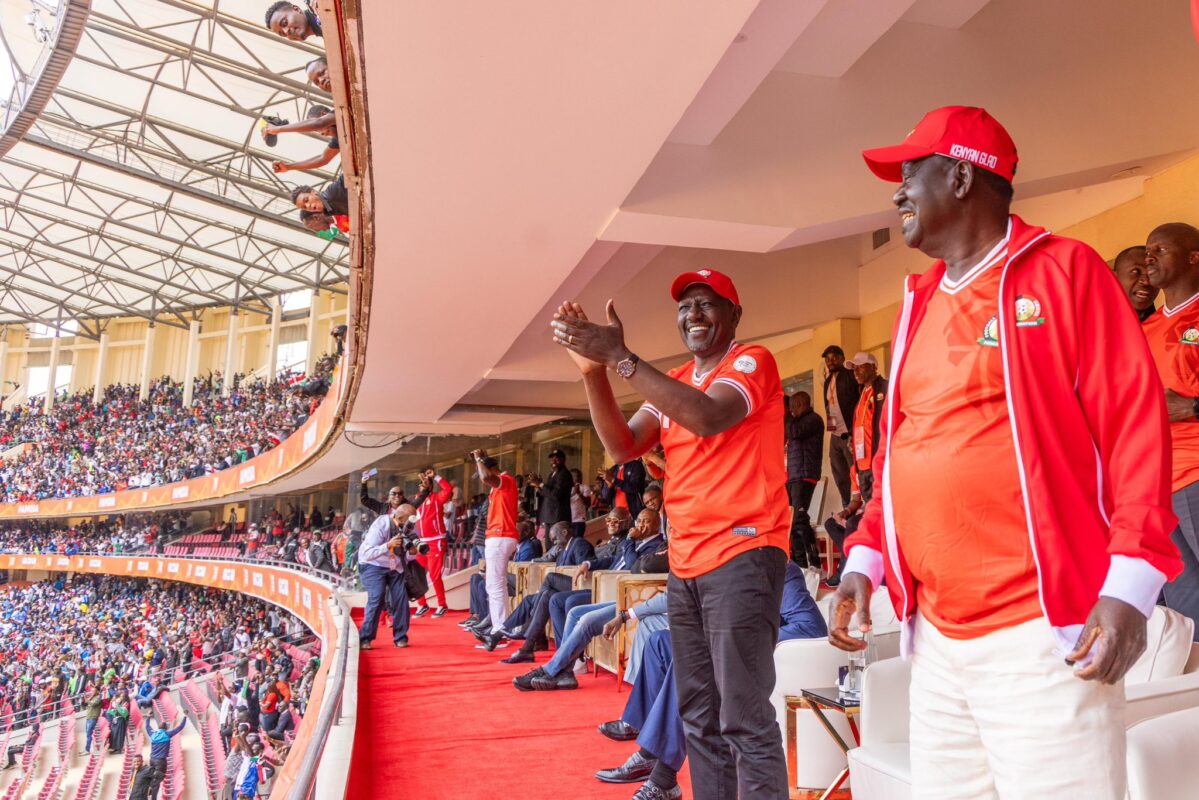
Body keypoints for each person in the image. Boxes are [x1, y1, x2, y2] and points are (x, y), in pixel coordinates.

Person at [831, 105, 1181, 799]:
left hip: (1044, 636)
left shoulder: (1064, 271)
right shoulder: (918, 302)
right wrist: (865, 558)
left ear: (961, 176)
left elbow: (1133, 429)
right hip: (933, 641)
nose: (896, 194)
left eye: (909, 175)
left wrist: (1129, 588)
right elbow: (905, 451)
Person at [551, 267, 791, 799]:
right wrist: (595, 372)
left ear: (735, 315)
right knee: (699, 717)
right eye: (685, 307)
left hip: (744, 553)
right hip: (686, 566)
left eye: (707, 304)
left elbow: (708, 417)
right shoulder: (674, 380)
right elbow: (621, 445)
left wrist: (622, 358)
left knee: (744, 718)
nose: (694, 315)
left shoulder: (752, 361)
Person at [596, 561, 826, 799]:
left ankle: (662, 773)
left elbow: (811, 627)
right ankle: (643, 732)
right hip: (723, 645)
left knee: (694, 659)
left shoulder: (780, 567)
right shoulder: (715, 563)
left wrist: (742, 639)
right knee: (660, 643)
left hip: (756, 654)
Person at [512, 508, 665, 690]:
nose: (641, 525)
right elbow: (616, 560)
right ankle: (565, 671)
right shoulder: (638, 543)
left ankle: (551, 669)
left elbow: (634, 566)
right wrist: (589, 563)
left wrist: (630, 540)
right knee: (574, 611)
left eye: (646, 522)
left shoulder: (659, 545)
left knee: (583, 617)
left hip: (630, 598)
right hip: (616, 592)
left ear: (658, 525)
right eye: (639, 521)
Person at [1143, 222, 1199, 640]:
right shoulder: (1143, 330)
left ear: (1194, 257)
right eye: (1148, 251)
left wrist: (1192, 405)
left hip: (1196, 474)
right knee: (1185, 607)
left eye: (1160, 249)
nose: (1149, 258)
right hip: (1156, 483)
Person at [492, 521, 596, 660]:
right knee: (544, 595)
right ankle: (527, 648)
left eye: (555, 538)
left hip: (582, 587)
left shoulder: (579, 544)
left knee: (551, 578)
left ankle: (525, 628)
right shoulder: (564, 548)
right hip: (565, 589)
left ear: (564, 532)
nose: (554, 543)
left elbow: (585, 573)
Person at [474, 449, 520, 641]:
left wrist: (478, 459)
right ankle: (505, 627)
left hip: (500, 536)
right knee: (498, 583)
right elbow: (486, 477)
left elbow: (485, 477)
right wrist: (482, 460)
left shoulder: (505, 479)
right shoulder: (499, 485)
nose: (481, 475)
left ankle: (499, 630)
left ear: (493, 469)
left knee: (494, 585)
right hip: (500, 537)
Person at [358, 504, 415, 650]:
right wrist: (387, 545)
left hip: (394, 566)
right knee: (377, 598)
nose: (413, 523)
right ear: (401, 518)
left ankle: (400, 637)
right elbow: (367, 553)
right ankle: (365, 638)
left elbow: (408, 554)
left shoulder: (408, 528)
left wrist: (413, 551)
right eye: (410, 519)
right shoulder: (381, 525)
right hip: (373, 565)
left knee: (401, 599)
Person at [785, 391, 823, 568]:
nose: (791, 410)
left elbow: (794, 432)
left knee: (800, 518)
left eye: (793, 406)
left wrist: (784, 417)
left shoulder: (813, 419)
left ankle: (814, 563)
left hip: (805, 474)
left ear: (801, 404)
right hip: (793, 475)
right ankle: (800, 566)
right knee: (791, 520)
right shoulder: (797, 421)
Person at [821, 344, 861, 507]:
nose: (831, 361)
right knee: (839, 473)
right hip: (835, 434)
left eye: (834, 357)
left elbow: (859, 401)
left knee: (855, 472)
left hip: (850, 433)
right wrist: (832, 430)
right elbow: (830, 406)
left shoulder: (851, 375)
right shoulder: (828, 381)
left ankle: (858, 505)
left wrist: (855, 429)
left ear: (842, 359)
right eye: (828, 359)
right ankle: (846, 506)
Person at [411, 469, 454, 618]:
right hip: (421, 543)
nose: (421, 485)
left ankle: (442, 605)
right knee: (416, 575)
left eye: (424, 483)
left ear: (430, 486)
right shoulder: (417, 500)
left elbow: (448, 489)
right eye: (419, 484)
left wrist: (435, 476)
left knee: (435, 576)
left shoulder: (437, 498)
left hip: (436, 541)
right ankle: (422, 605)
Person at [262, 105, 340, 174]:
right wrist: (288, 167)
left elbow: (319, 123)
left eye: (318, 129)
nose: (321, 133)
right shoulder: (338, 139)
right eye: (317, 131)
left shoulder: (338, 112)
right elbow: (322, 159)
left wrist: (277, 129)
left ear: (324, 114)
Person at [532, 449, 574, 536]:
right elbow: (548, 493)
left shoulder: (564, 474)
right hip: (549, 516)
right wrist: (538, 486)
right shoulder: (552, 474)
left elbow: (556, 495)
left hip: (557, 516)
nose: (553, 461)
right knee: (549, 546)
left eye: (557, 459)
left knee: (557, 545)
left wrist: (540, 484)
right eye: (552, 459)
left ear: (563, 460)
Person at [146, 713, 188, 797]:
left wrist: (148, 717)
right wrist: (185, 717)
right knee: (157, 780)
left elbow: (147, 727)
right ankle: (150, 790)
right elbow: (180, 727)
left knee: (155, 778)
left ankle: (150, 787)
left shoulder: (153, 734)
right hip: (161, 761)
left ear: (158, 728)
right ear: (166, 728)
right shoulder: (167, 734)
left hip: (152, 760)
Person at [1114, 245, 1159, 323]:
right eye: (1135, 272)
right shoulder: (1094, 324)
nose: (1146, 281)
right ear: (1114, 278)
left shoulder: (1166, 328)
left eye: (1152, 273)